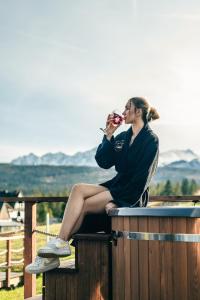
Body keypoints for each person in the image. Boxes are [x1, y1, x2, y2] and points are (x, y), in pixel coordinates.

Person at [25, 96, 159, 274]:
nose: (124, 112)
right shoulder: (122, 137)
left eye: (128, 108)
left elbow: (143, 177)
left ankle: (52, 254)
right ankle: (60, 244)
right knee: (78, 189)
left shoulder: (151, 140)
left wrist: (120, 202)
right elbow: (103, 161)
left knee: (86, 205)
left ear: (139, 112)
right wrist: (109, 134)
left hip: (132, 193)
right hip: (116, 185)